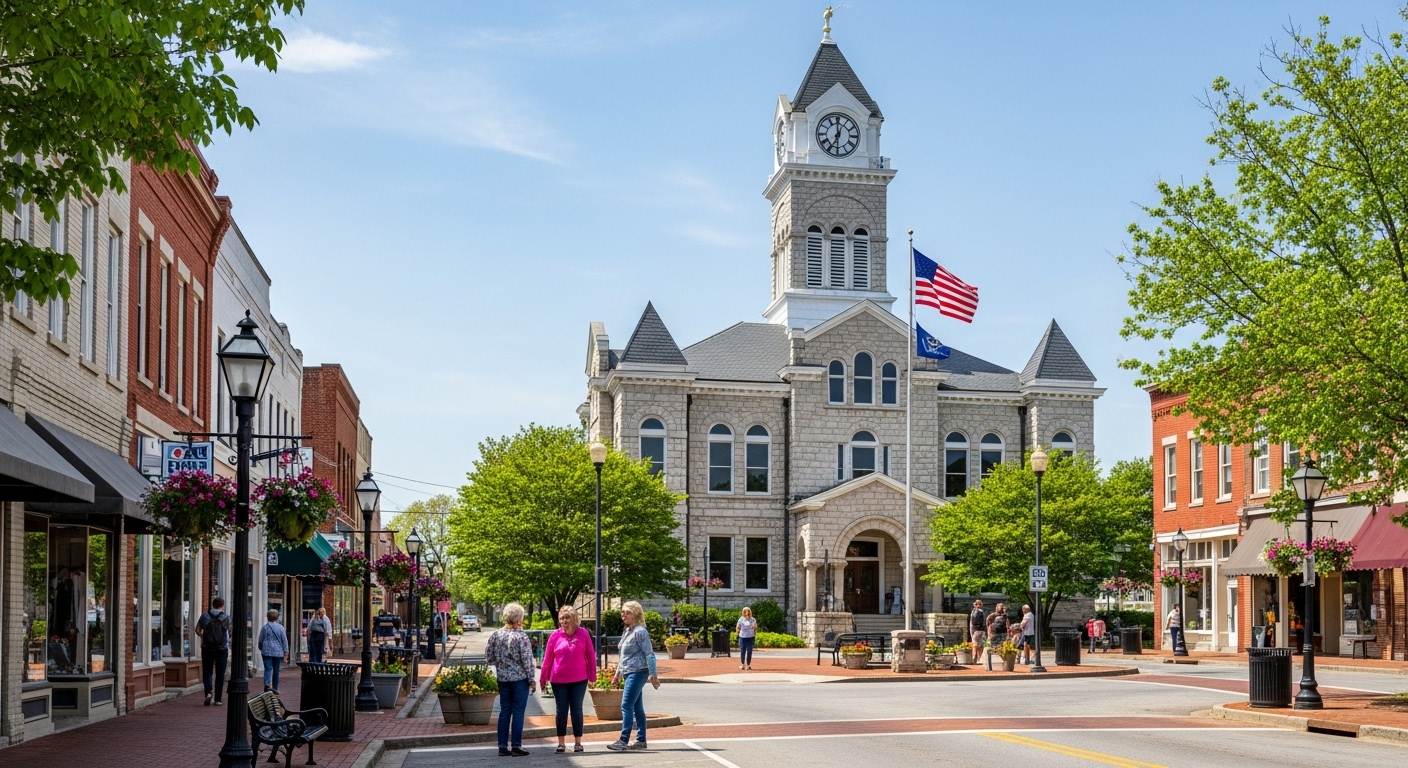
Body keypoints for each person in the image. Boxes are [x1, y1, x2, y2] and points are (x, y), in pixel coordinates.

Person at [539, 605, 596, 754]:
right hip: (558, 679)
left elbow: (591, 655)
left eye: (567, 617)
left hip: (579, 678)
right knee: (561, 710)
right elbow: (547, 659)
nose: (564, 621)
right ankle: (561, 743)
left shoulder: (583, 634)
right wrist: (543, 679)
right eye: (561, 618)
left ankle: (578, 742)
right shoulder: (555, 636)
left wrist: (592, 676)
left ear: (574, 619)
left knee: (577, 709)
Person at [607, 601, 659, 752]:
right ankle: (641, 739)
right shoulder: (627, 631)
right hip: (628, 672)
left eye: (627, 612)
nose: (623, 615)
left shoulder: (640, 631)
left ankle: (623, 740)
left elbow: (649, 654)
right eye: (622, 612)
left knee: (626, 705)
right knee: (637, 707)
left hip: (638, 672)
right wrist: (617, 674)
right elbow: (623, 656)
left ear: (636, 613)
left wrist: (653, 675)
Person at [485, 602, 535, 757]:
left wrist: (502, 664)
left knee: (504, 711)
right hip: (519, 679)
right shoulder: (521, 637)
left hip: (503, 678)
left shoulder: (496, 635)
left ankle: (502, 746)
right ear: (519, 618)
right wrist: (532, 679)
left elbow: (489, 657)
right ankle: (516, 745)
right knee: (518, 712)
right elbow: (527, 660)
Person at [196, 597, 231, 706]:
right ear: (222, 605)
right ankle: (218, 699)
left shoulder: (205, 615)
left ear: (213, 604)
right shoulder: (226, 617)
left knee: (207, 671)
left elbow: (197, 630)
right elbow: (230, 631)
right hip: (221, 648)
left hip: (207, 648)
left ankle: (208, 693)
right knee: (220, 674)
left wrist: (203, 636)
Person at [258, 609, 288, 694]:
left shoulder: (265, 627)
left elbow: (260, 640)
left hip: (266, 651)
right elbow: (284, 640)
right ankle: (275, 687)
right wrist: (286, 652)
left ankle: (267, 685)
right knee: (276, 670)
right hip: (278, 652)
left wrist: (261, 648)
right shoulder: (280, 628)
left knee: (267, 669)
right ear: (277, 617)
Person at [984, 603, 1008, 671]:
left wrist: (1008, 634)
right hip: (994, 634)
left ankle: (1005, 664)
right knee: (990, 650)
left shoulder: (1004, 616)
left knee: (1003, 650)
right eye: (1001, 607)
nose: (1002, 608)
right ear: (996, 607)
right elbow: (988, 625)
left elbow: (1007, 625)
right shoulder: (992, 616)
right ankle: (989, 666)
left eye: (1003, 607)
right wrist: (989, 635)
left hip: (1003, 634)